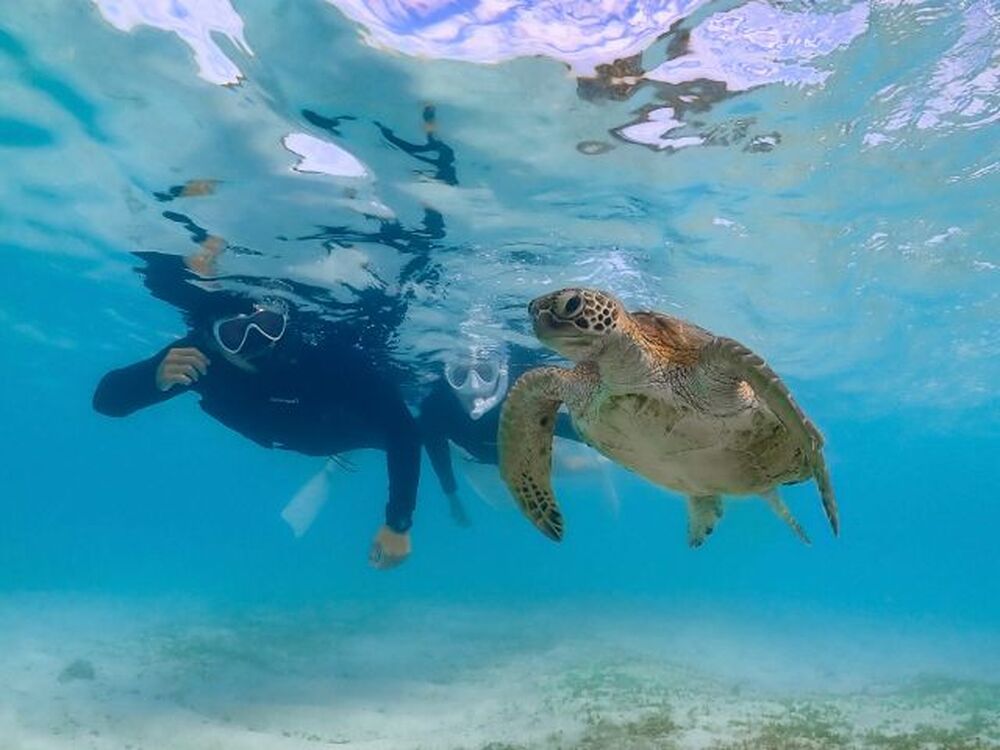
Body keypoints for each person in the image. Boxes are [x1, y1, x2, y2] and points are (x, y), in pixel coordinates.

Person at [93, 260, 421, 570]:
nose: (258, 344)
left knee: (419, 428)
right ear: (211, 340)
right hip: (290, 435)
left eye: (267, 326)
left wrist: (398, 522)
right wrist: (152, 379)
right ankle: (339, 461)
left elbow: (402, 430)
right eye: (235, 335)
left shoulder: (326, 353)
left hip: (347, 428)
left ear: (283, 323)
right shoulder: (200, 360)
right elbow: (107, 402)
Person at [418, 343, 579, 525]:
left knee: (577, 469)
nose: (474, 386)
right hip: (475, 459)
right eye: (460, 376)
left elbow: (563, 424)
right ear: (447, 378)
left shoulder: (519, 398)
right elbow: (436, 451)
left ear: (501, 372)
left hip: (522, 454)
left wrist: (601, 439)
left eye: (485, 373)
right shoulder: (435, 409)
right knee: (503, 505)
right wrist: (452, 499)